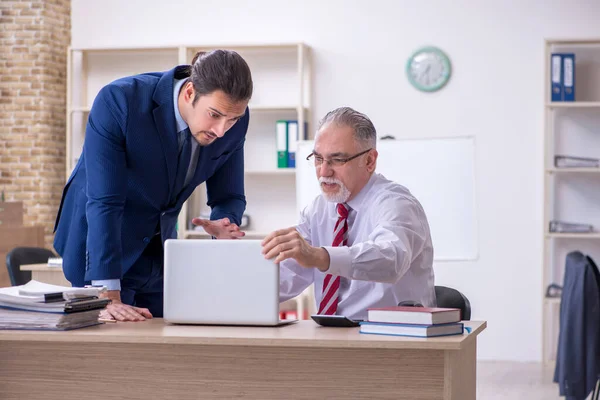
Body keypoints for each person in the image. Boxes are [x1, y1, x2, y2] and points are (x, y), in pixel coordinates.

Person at [53, 50, 253, 321]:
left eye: (232, 119)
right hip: (101, 247)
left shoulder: (234, 122)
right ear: (189, 92)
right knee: (110, 352)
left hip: (159, 254)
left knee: (164, 349)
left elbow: (228, 194)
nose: (221, 130)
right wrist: (107, 293)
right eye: (215, 115)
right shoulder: (119, 102)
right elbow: (105, 202)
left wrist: (224, 222)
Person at [261, 107, 436, 320]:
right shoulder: (318, 210)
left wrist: (321, 256)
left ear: (369, 161)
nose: (324, 172)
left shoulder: (396, 203)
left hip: (392, 339)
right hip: (331, 337)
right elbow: (290, 275)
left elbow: (391, 260)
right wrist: (229, 289)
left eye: (337, 160)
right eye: (318, 158)